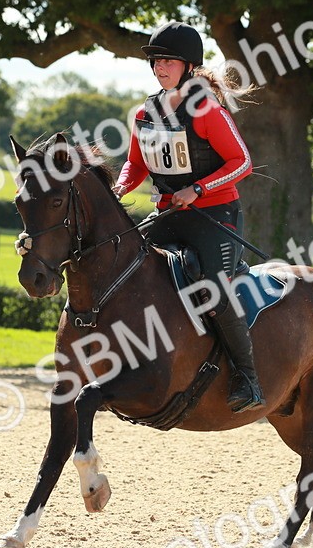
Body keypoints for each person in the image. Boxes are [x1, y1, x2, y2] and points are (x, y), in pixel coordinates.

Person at [111, 21, 265, 413]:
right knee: (130, 272)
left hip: (215, 215)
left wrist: (197, 189)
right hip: (168, 214)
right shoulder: (145, 112)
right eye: (155, 60)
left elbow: (241, 162)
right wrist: (120, 188)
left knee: (214, 289)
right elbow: (135, 164)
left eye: (168, 61)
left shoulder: (206, 110)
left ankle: (248, 378)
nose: (159, 67)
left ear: (189, 67)